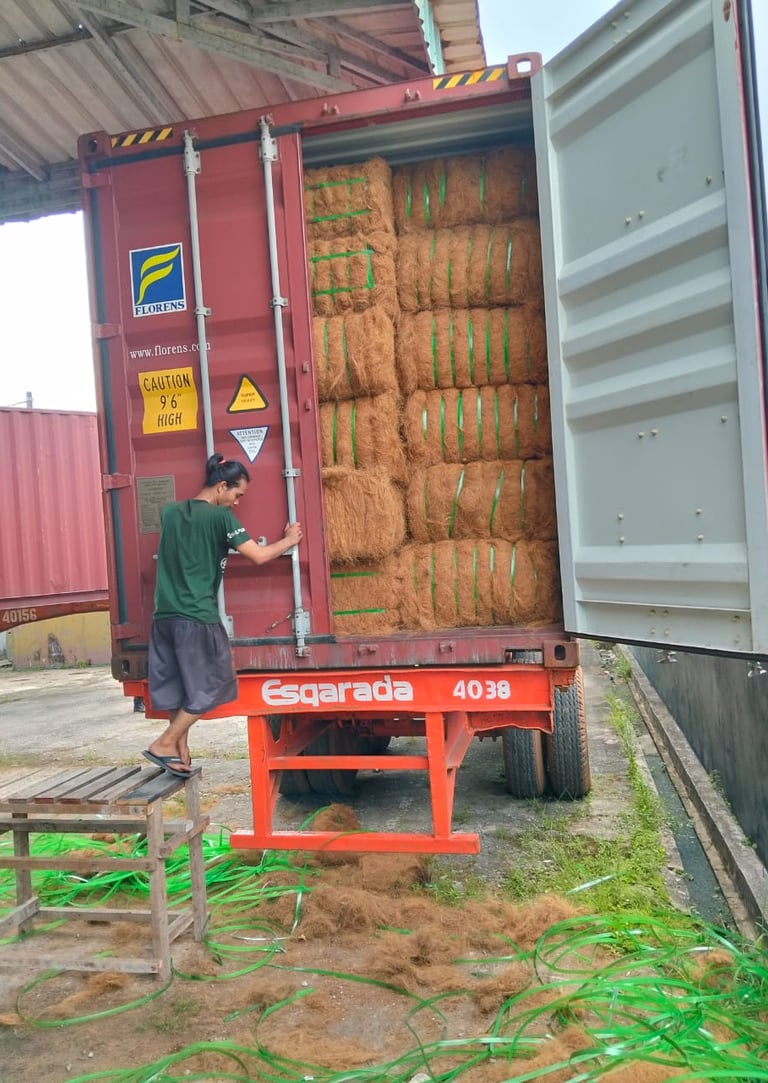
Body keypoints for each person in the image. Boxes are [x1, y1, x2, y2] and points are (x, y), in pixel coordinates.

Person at [143, 453, 302, 777]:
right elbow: (258, 556)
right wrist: (288, 540)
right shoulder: (220, 517)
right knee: (216, 683)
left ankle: (178, 752)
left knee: (180, 687)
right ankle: (164, 744)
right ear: (221, 486)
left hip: (164, 618)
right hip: (196, 616)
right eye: (237, 494)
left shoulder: (171, 513)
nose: (237, 502)